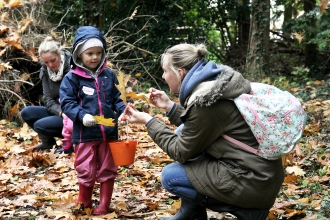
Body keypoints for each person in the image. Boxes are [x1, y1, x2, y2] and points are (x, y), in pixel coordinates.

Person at [122, 43, 284, 220]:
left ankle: (247, 210)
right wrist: (169, 107)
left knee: (170, 176)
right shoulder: (213, 85)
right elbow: (202, 126)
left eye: (165, 71)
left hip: (252, 181)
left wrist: (148, 120)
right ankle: (191, 213)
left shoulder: (206, 101)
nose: (163, 76)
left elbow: (180, 151)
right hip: (259, 174)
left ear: (180, 72)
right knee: (183, 131)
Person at [59, 26, 126, 215]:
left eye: (99, 53)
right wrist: (82, 116)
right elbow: (67, 103)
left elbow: (116, 99)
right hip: (85, 133)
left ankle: (104, 203)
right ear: (79, 54)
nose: (95, 57)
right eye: (90, 53)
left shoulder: (108, 75)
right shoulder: (72, 78)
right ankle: (85, 201)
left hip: (108, 132)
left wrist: (122, 112)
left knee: (108, 168)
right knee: (86, 168)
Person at [20, 36, 73, 154]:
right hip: (59, 111)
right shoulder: (45, 70)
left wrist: (68, 112)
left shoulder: (73, 67)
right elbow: (48, 100)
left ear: (59, 54)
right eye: (46, 62)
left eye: (53, 60)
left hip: (74, 114)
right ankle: (48, 143)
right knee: (26, 112)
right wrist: (61, 112)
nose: (50, 64)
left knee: (40, 125)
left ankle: (74, 142)